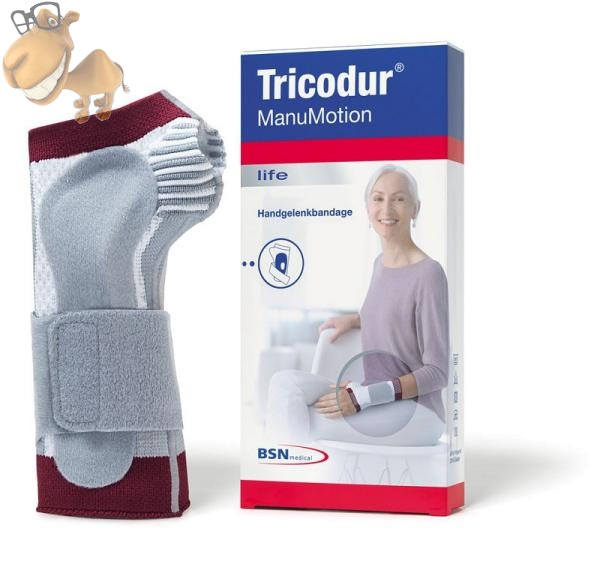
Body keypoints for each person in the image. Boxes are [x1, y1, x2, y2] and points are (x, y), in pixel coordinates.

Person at [265, 164, 449, 445]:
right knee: (284, 385)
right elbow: (398, 311)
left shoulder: (429, 273)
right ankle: (294, 469)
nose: (386, 209)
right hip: (372, 396)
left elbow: (437, 372)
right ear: (368, 208)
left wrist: (364, 396)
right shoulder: (379, 265)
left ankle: (297, 469)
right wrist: (355, 319)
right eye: (378, 198)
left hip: (418, 411)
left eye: (399, 199)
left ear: (416, 208)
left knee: (307, 420)